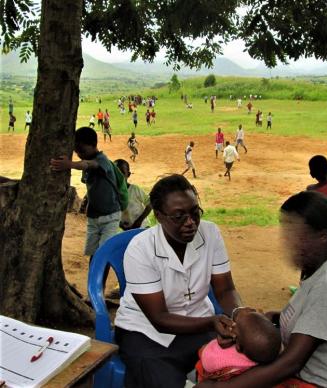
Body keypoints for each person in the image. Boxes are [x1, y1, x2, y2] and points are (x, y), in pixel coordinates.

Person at [196, 191, 327, 388]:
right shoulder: (317, 275)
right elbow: (313, 319)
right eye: (285, 230)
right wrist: (277, 317)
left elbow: (290, 363)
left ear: (322, 236)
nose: (288, 240)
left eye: (296, 233)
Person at [114, 174, 242, 388]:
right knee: (162, 378)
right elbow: (159, 318)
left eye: (195, 212)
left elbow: (226, 289)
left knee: (239, 368)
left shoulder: (210, 233)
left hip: (198, 320)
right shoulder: (141, 249)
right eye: (179, 216)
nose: (191, 223)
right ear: (159, 216)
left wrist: (239, 314)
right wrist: (211, 322)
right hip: (145, 331)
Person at [50, 127, 122, 258]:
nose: (80, 154)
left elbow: (89, 164)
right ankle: (93, 278)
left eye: (81, 150)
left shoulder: (102, 160)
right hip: (93, 217)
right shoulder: (88, 161)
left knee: (104, 255)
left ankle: (99, 279)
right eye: (76, 151)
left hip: (110, 216)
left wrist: (69, 164)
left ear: (93, 145)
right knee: (93, 254)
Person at [196, 309, 282, 382]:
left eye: (236, 326)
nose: (233, 325)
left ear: (238, 347)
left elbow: (207, 362)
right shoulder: (261, 350)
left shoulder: (224, 360)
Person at [115, 159, 152, 230]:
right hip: (128, 230)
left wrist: (139, 221)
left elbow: (149, 204)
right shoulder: (112, 194)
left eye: (122, 173)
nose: (118, 176)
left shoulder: (135, 190)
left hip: (143, 228)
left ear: (128, 175)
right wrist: (121, 224)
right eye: (115, 172)